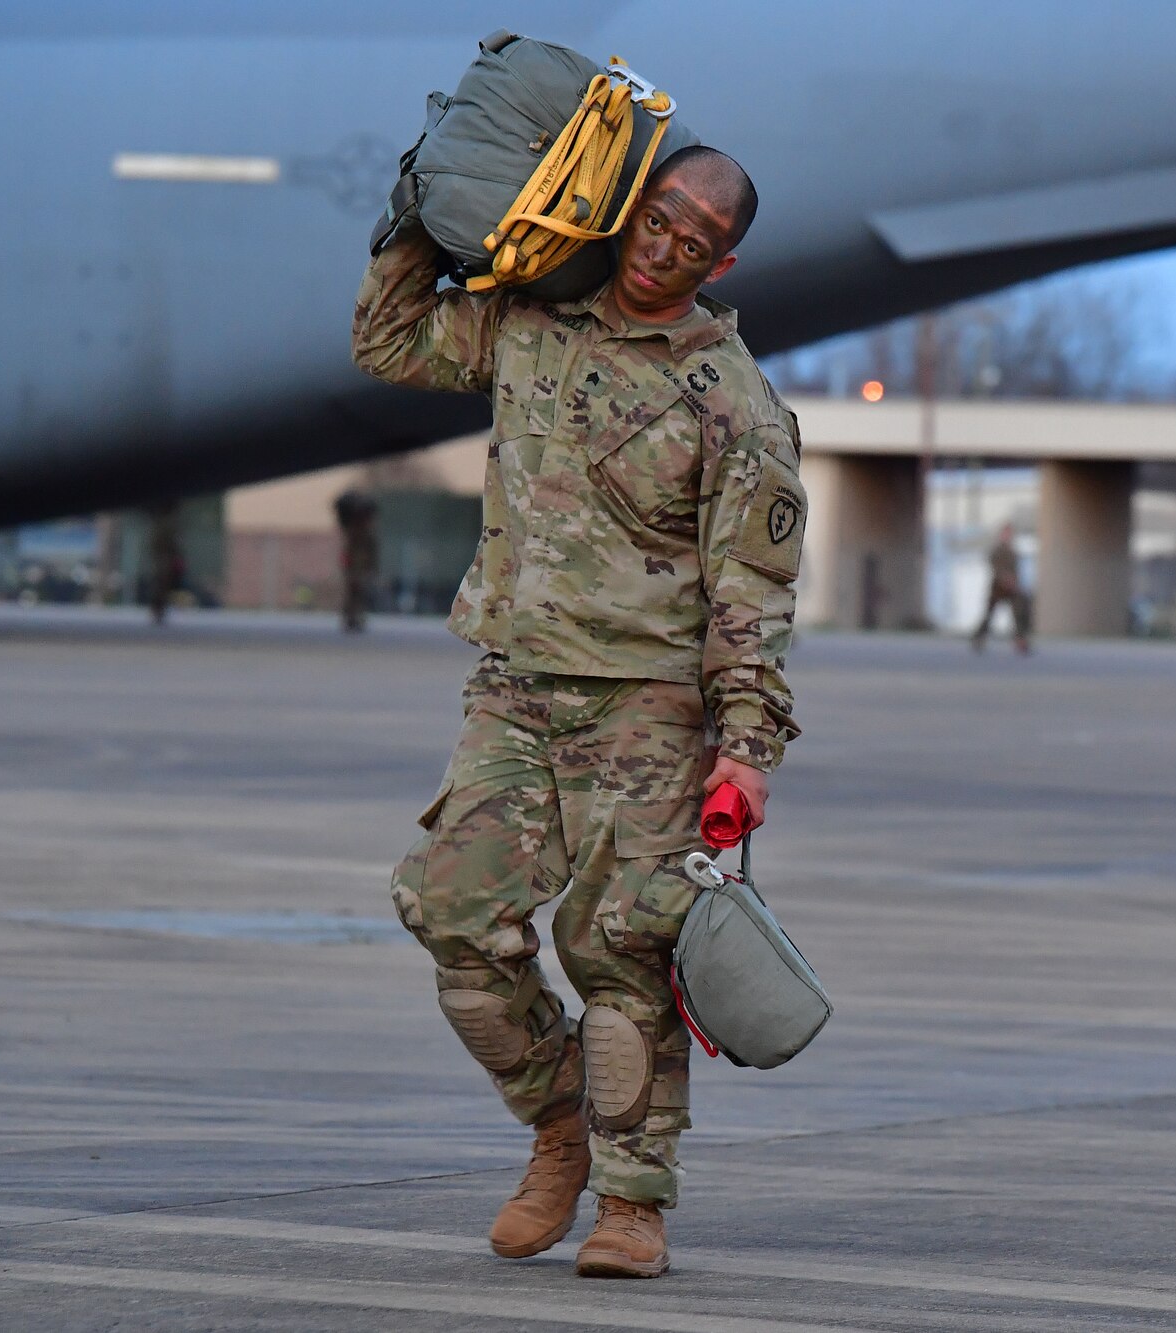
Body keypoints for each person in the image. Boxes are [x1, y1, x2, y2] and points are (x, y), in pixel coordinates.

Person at [352, 145, 802, 1279]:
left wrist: (744, 750)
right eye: (654, 221)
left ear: (722, 259)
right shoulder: (529, 320)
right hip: (511, 686)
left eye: (691, 243)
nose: (662, 249)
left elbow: (751, 594)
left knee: (619, 954)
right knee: (453, 916)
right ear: (627, 209)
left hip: (645, 709)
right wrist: (413, 216)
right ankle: (557, 1123)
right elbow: (389, 341)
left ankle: (632, 1202)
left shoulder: (733, 400)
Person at [970, 523, 1032, 654]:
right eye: (1006, 533)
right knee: (989, 615)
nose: (1008, 536)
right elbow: (994, 567)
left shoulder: (1013, 551)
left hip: (1011, 588)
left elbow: (1017, 570)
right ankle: (978, 638)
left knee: (1019, 612)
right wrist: (1004, 578)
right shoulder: (996, 550)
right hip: (997, 588)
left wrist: (1014, 582)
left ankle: (1021, 640)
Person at [334, 491, 379, 633]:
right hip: (357, 563)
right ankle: (352, 618)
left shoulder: (356, 531)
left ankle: (352, 618)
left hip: (357, 563)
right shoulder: (359, 531)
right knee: (355, 591)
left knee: (356, 591)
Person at [146, 503, 183, 626]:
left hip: (165, 560)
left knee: (161, 586)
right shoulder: (166, 525)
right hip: (163, 560)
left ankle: (159, 610)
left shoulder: (164, 525)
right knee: (160, 586)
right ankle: (158, 610)